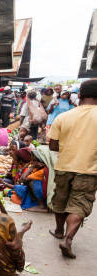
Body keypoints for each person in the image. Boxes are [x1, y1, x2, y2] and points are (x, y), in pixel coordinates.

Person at [48, 79, 97, 259]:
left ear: (80, 95)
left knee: (60, 200)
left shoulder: (64, 116)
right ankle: (68, 239)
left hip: (64, 167)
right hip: (89, 170)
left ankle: (59, 230)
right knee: (79, 204)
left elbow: (53, 146)